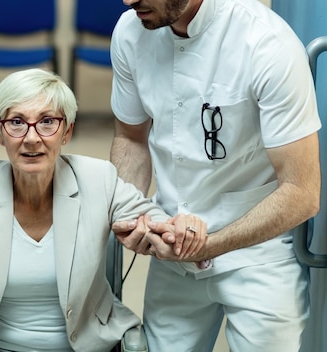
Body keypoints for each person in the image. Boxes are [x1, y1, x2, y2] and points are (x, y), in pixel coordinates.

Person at [0, 68, 207, 351]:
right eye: (16, 122)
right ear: (0, 133)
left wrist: (182, 230)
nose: (31, 138)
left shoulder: (98, 179)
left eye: (47, 122)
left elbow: (157, 221)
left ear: (66, 132)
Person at [109, 0, 321, 351]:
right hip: (172, 250)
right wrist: (129, 213)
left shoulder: (267, 43)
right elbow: (131, 139)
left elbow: (302, 191)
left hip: (259, 258)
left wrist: (207, 246)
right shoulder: (130, 32)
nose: (129, 0)